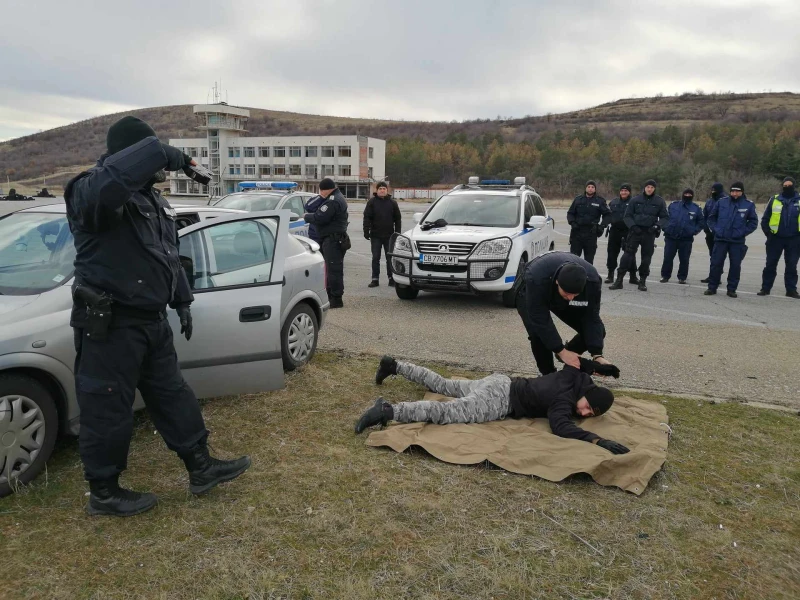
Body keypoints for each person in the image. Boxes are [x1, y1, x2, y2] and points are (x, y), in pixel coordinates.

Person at [64, 116, 251, 517]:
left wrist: (181, 299)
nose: (160, 168)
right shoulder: (89, 192)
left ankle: (201, 468)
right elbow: (108, 188)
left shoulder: (151, 200)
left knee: (173, 395)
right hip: (110, 324)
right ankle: (105, 492)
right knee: (108, 407)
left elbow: (167, 257)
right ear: (133, 154)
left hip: (150, 321)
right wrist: (163, 152)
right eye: (150, 155)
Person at [354, 356, 630, 455]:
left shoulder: (577, 377)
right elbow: (560, 427)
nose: (583, 413)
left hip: (499, 381)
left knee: (445, 386)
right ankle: (390, 410)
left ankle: (395, 365)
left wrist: (599, 367)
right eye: (587, 409)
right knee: (448, 413)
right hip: (499, 399)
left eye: (589, 415)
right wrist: (595, 440)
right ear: (589, 397)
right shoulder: (564, 401)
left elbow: (576, 362)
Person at [515, 252, 610, 376]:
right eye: (567, 293)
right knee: (538, 334)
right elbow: (540, 319)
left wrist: (597, 354)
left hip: (557, 289)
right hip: (530, 289)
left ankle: (570, 354)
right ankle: (549, 375)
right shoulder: (536, 277)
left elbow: (591, 318)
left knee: (598, 331)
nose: (570, 298)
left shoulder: (593, 281)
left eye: (575, 294)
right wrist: (560, 349)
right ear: (557, 282)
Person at [609, 179, 668, 292]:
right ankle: (619, 280)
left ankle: (642, 281)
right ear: (644, 188)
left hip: (649, 233)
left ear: (654, 188)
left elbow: (665, 217)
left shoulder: (659, 201)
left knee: (646, 258)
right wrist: (633, 226)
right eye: (647, 187)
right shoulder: (635, 200)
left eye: (651, 187)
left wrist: (657, 226)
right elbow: (627, 216)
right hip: (635, 232)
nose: (649, 189)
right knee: (627, 256)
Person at [704, 181, 758, 298]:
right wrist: (716, 230)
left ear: (742, 192)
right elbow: (711, 218)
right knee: (716, 264)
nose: (735, 193)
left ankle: (731, 289)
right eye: (733, 191)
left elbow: (753, 222)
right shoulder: (721, 202)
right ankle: (712, 287)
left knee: (735, 265)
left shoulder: (748, 205)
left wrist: (742, 232)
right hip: (720, 239)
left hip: (737, 241)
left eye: (737, 191)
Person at [304, 177, 349, 308]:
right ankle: (332, 295)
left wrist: (306, 217)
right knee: (331, 269)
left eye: (321, 191)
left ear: (325, 190)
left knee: (334, 269)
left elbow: (320, 217)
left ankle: (336, 298)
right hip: (333, 238)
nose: (321, 194)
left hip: (333, 239)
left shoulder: (333, 201)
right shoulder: (336, 197)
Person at [757, 176, 800, 299]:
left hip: (794, 239)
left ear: (794, 186)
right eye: (785, 185)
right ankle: (765, 288)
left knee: (792, 265)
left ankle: (791, 290)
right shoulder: (774, 199)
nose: (787, 187)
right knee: (770, 264)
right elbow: (765, 219)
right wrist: (769, 234)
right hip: (776, 239)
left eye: (789, 185)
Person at [660, 189, 705, 284]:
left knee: (684, 259)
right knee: (668, 257)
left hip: (686, 239)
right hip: (671, 237)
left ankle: (682, 277)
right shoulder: (673, 205)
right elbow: (665, 217)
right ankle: (665, 276)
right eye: (686, 193)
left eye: (689, 194)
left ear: (692, 196)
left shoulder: (696, 208)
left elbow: (701, 222)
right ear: (682, 194)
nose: (687, 195)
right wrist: (665, 228)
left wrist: (694, 231)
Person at [363, 181, 402, 287]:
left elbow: (398, 219)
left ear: (387, 190)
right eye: (380, 189)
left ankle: (391, 278)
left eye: (384, 188)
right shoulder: (371, 202)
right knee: (375, 257)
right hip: (375, 235)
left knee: (390, 257)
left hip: (389, 236)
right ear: (377, 190)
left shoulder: (392, 203)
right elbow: (367, 217)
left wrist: (397, 233)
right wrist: (366, 231)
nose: (382, 190)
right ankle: (375, 279)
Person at [566, 180, 610, 264]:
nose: (590, 189)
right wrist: (572, 222)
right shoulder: (578, 199)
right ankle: (574, 276)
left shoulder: (600, 201)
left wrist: (602, 225)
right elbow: (570, 213)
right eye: (588, 187)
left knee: (589, 260)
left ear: (595, 189)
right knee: (574, 258)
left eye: (592, 187)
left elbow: (608, 215)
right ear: (585, 188)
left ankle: (588, 276)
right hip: (577, 232)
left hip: (591, 233)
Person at [605, 183, 638, 284]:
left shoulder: (634, 202)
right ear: (620, 192)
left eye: (626, 191)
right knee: (611, 253)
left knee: (630, 254)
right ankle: (610, 275)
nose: (624, 192)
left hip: (628, 231)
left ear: (629, 192)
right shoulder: (613, 202)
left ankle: (633, 276)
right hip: (614, 231)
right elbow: (607, 215)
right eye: (622, 190)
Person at [701, 183, 726, 283]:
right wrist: (706, 228)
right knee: (712, 255)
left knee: (718, 256)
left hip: (720, 234)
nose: (713, 191)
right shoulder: (709, 201)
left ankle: (716, 276)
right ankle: (713, 275)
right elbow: (705, 215)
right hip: (710, 234)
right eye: (712, 189)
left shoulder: (725, 201)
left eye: (715, 189)